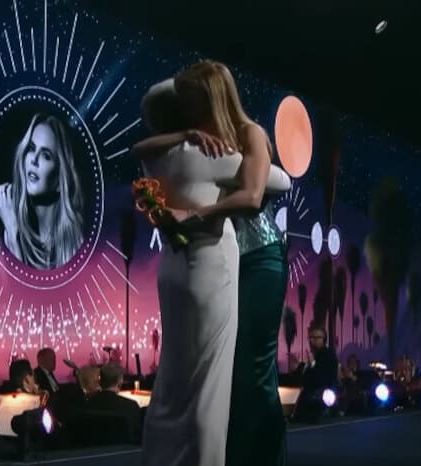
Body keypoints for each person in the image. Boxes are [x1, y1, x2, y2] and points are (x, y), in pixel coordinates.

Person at [133, 66, 291, 466]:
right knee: (222, 377)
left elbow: (264, 190)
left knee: (251, 374)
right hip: (222, 258)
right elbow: (148, 148)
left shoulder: (248, 133)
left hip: (260, 257)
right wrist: (188, 138)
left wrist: (196, 212)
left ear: (210, 100)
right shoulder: (202, 142)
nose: (185, 109)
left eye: (190, 101)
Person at [0, 113, 84, 270]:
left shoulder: (76, 243)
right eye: (31, 148)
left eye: (46, 156)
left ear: (59, 180)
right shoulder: (10, 228)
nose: (34, 159)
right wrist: (12, 235)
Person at [290, 326, 338, 422]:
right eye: (310, 338)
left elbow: (320, 377)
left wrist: (310, 365)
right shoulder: (316, 355)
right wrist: (300, 367)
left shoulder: (327, 354)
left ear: (323, 339)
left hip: (320, 398)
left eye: (316, 338)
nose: (312, 341)